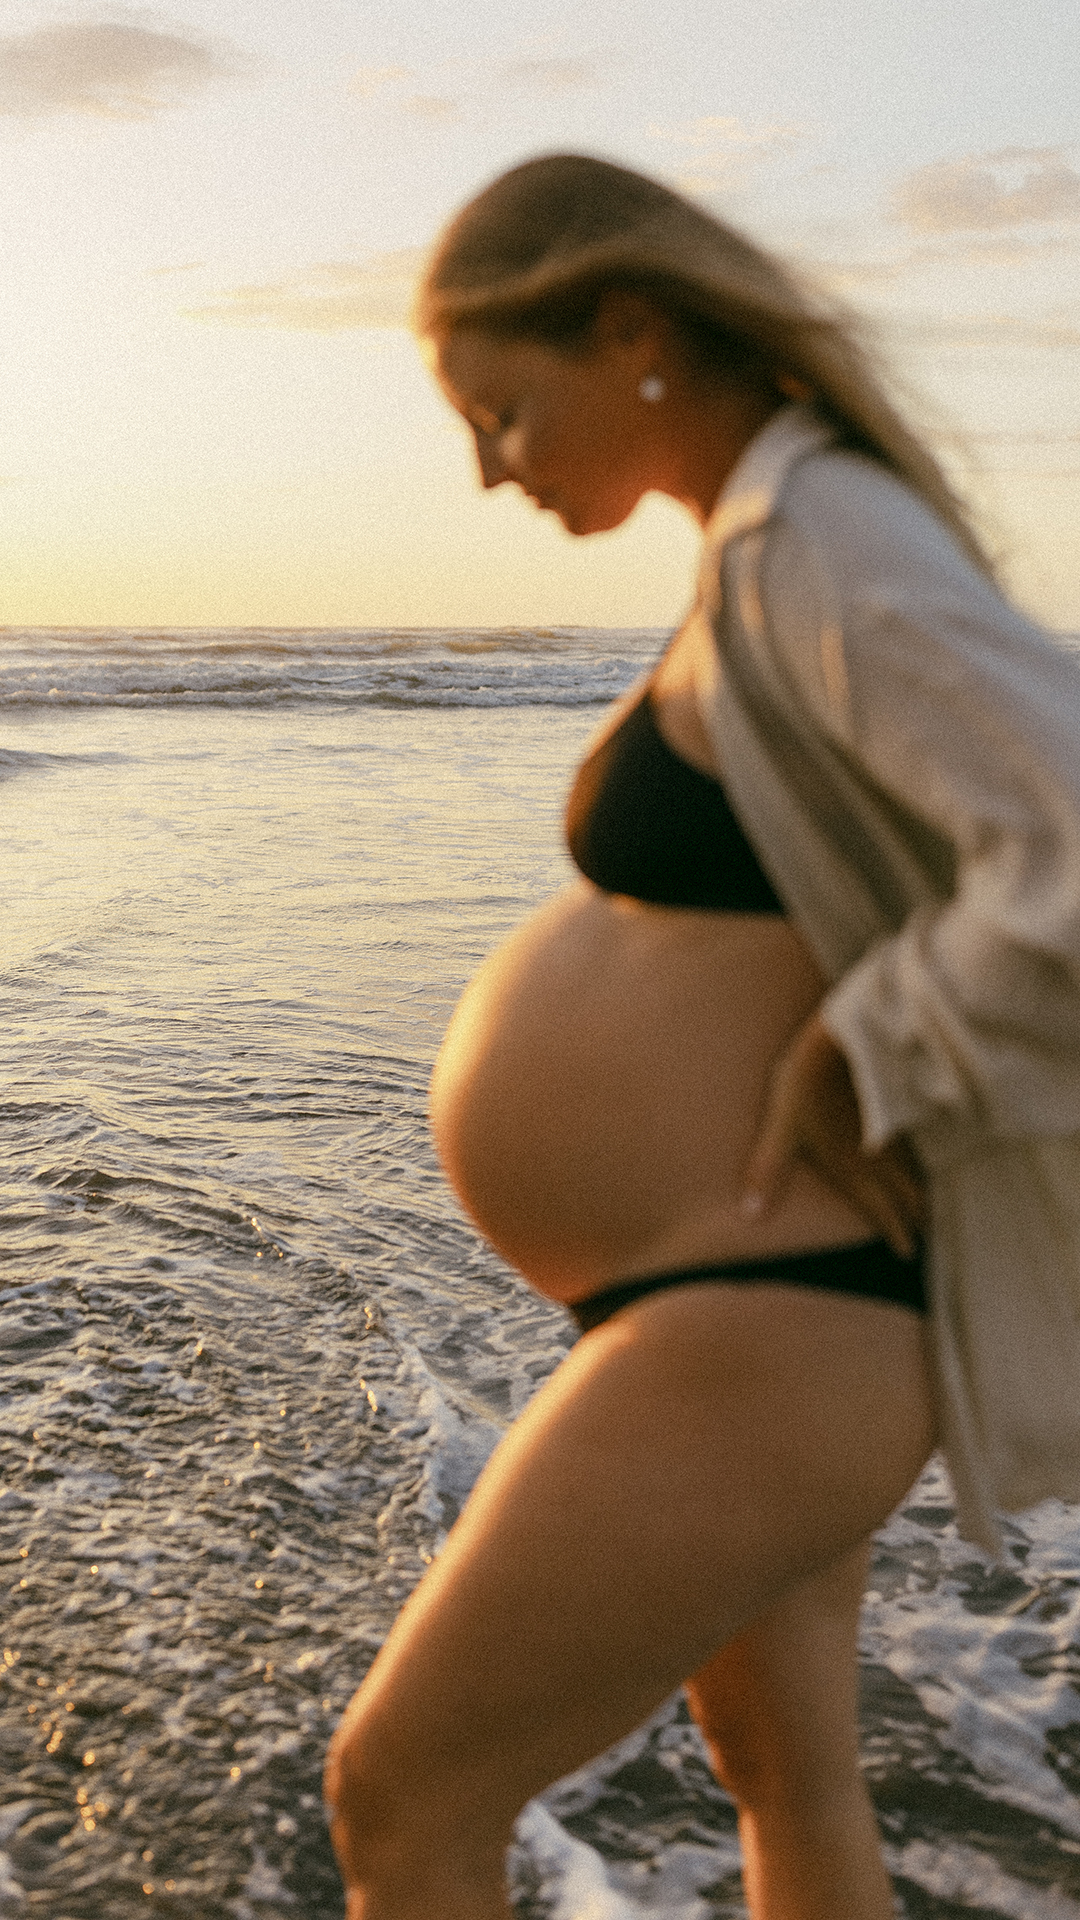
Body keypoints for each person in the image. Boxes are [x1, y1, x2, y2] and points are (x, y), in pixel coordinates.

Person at [324, 154, 1080, 1919]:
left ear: (634, 327)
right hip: (757, 1307)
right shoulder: (771, 541)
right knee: (790, 1786)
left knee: (403, 1795)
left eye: (502, 408)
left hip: (774, 1314)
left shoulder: (816, 528)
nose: (489, 467)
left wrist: (876, 1040)